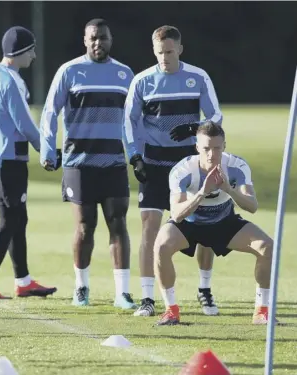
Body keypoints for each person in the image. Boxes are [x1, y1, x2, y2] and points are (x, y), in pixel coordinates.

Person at [123, 25, 223, 317]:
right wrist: (135, 157)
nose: (164, 58)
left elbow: (215, 115)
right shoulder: (142, 81)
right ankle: (147, 298)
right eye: (159, 53)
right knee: (149, 227)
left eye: (169, 52)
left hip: (190, 163)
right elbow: (129, 122)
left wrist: (195, 128)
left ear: (180, 48)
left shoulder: (198, 77)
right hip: (153, 164)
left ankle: (204, 290)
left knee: (205, 226)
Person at [40, 18, 136, 309]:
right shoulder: (70, 71)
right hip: (78, 163)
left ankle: (122, 292)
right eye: (93, 38)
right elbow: (49, 112)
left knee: (118, 223)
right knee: (85, 226)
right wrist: (47, 149)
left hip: (114, 162)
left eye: (103, 38)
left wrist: (136, 154)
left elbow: (134, 121)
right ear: (85, 40)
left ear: (111, 39)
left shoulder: (125, 74)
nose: (98, 43)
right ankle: (81, 287)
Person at [153, 121, 274, 325]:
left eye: (217, 148)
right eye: (206, 148)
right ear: (197, 148)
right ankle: (171, 311)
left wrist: (228, 188)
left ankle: (261, 312)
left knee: (267, 246)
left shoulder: (237, 166)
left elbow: (252, 206)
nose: (211, 154)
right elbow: (176, 214)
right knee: (161, 246)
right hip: (189, 224)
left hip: (223, 223)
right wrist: (202, 192)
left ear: (224, 146)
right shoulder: (182, 170)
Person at [0, 26, 57, 298]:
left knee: (18, 218)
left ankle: (23, 280)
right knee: (10, 220)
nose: (33, 56)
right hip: (11, 158)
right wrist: (47, 151)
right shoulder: (11, 81)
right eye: (30, 50)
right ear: (19, 52)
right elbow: (25, 124)